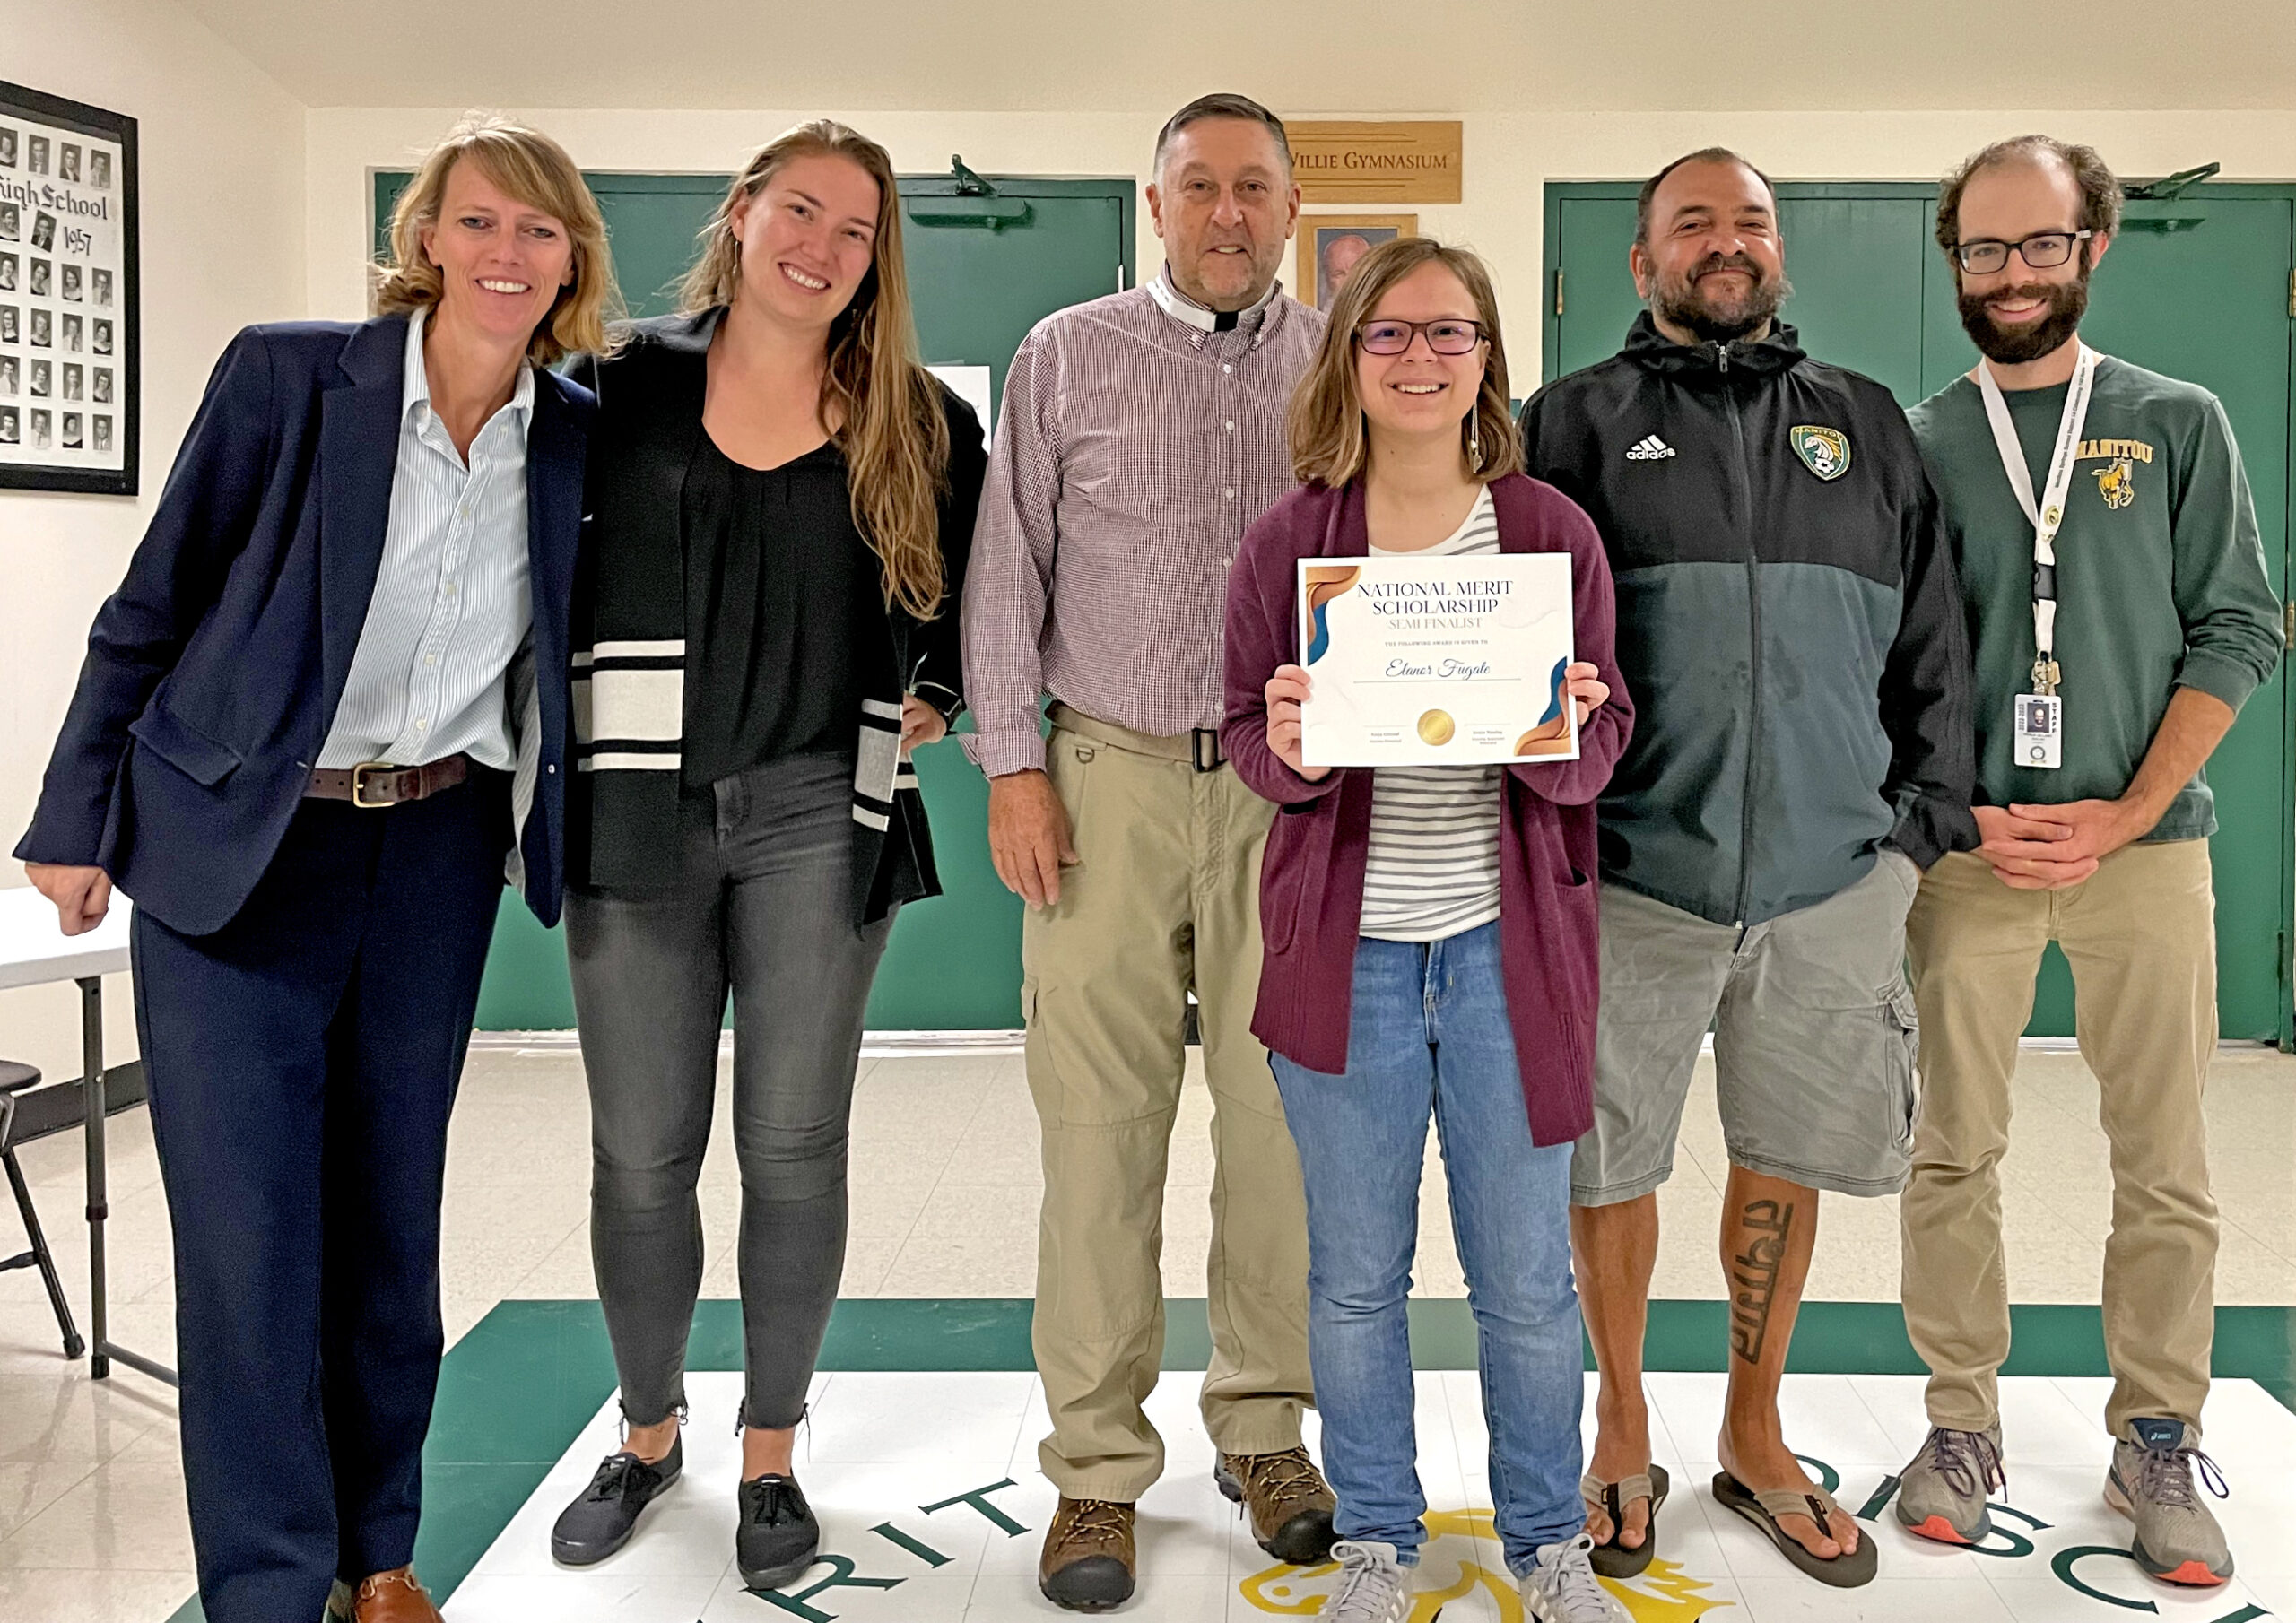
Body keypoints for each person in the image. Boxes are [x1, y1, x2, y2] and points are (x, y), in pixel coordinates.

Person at [14, 113, 611, 1623]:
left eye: (539, 232)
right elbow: (151, 602)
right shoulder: (293, 380)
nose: (507, 254)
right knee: (250, 1241)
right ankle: (271, 1588)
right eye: (480, 222)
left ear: (570, 263)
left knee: (388, 1221)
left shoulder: (577, 433)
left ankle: (378, 1553)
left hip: (433, 844)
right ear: (426, 238)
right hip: (242, 847)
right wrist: (75, 813)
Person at [1519, 147, 1978, 1589]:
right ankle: (1624, 1417)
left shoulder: (1866, 426)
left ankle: (1756, 1426)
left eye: (1752, 222)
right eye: (1693, 223)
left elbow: (1934, 644)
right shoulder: (1571, 423)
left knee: (1785, 1150)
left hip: (1832, 882)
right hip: (1635, 877)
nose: (1729, 244)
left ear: (1780, 254)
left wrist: (1912, 834)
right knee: (1611, 1155)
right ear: (1641, 260)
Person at [545, 119, 986, 1592]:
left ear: (878, 260)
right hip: (636, 817)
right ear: (742, 215)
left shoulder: (917, 419)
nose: (824, 246)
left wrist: (936, 688)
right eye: (801, 210)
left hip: (817, 813)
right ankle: (650, 1427)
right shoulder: (613, 386)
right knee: (641, 1152)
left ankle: (773, 1450)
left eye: (858, 231)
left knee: (794, 1150)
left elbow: (976, 608)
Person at [962, 91, 1336, 1610]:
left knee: (1279, 1135)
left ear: (1292, 208)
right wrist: (1013, 770)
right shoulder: (1066, 354)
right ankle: (1096, 1474)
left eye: (1257, 187)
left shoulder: (1340, 361)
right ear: (1157, 201)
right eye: (1203, 186)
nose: (1230, 212)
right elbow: (1006, 579)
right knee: (1100, 1135)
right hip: (1105, 780)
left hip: (1288, 799)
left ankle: (1262, 1431)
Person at [1226, 236, 1634, 1623]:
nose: (1418, 357)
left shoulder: (1550, 533)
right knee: (1353, 1279)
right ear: (1347, 356)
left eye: (1448, 334)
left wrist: (1568, 727)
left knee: (1525, 1279)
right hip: (1350, 965)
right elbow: (1246, 737)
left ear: (1486, 358)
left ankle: (1545, 1539)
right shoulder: (1293, 537)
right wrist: (1289, 741)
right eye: (1388, 334)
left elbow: (1606, 734)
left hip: (1509, 958)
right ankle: (1379, 1540)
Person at [1892, 135, 2279, 1585]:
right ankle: (1958, 1422)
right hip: (1973, 854)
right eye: (1982, 252)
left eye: (2037, 245)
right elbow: (1893, 660)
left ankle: (2159, 1431)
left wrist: (2122, 813)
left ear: (2092, 245)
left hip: (2146, 850)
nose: (2008, 277)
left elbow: (2236, 627)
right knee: (1953, 1150)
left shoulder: (2178, 421)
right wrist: (1959, 809)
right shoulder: (1923, 440)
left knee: (2165, 1157)